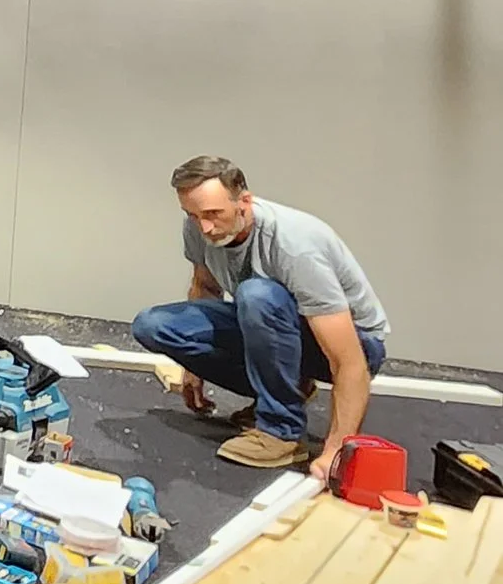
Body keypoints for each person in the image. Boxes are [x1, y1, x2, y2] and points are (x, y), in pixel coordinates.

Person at [130, 156, 389, 475]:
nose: (205, 228)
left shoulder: (295, 246)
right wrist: (193, 370)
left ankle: (282, 431)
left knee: (257, 295)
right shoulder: (199, 227)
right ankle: (285, 392)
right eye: (193, 215)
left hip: (354, 346)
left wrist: (336, 451)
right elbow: (205, 287)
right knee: (153, 325)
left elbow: (350, 362)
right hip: (274, 327)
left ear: (245, 202)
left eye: (213, 214)